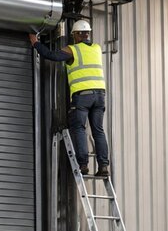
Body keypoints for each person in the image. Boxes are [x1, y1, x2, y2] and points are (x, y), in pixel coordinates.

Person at [28, 19, 110, 178]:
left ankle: (83, 164)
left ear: (76, 35)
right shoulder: (97, 48)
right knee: (98, 131)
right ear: (88, 34)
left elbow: (51, 55)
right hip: (100, 96)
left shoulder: (73, 50)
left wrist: (35, 43)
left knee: (79, 128)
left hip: (83, 97)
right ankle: (104, 166)